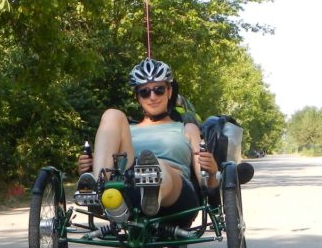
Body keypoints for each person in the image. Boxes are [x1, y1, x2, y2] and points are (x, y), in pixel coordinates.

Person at [76, 57, 219, 218]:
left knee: (158, 166)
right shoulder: (127, 129)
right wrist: (89, 166)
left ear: (169, 91)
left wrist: (212, 173)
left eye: (159, 89)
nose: (152, 97)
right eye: (145, 92)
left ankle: (152, 192)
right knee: (112, 114)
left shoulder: (187, 128)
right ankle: (98, 187)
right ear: (137, 97)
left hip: (176, 195)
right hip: (130, 186)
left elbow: (204, 182)